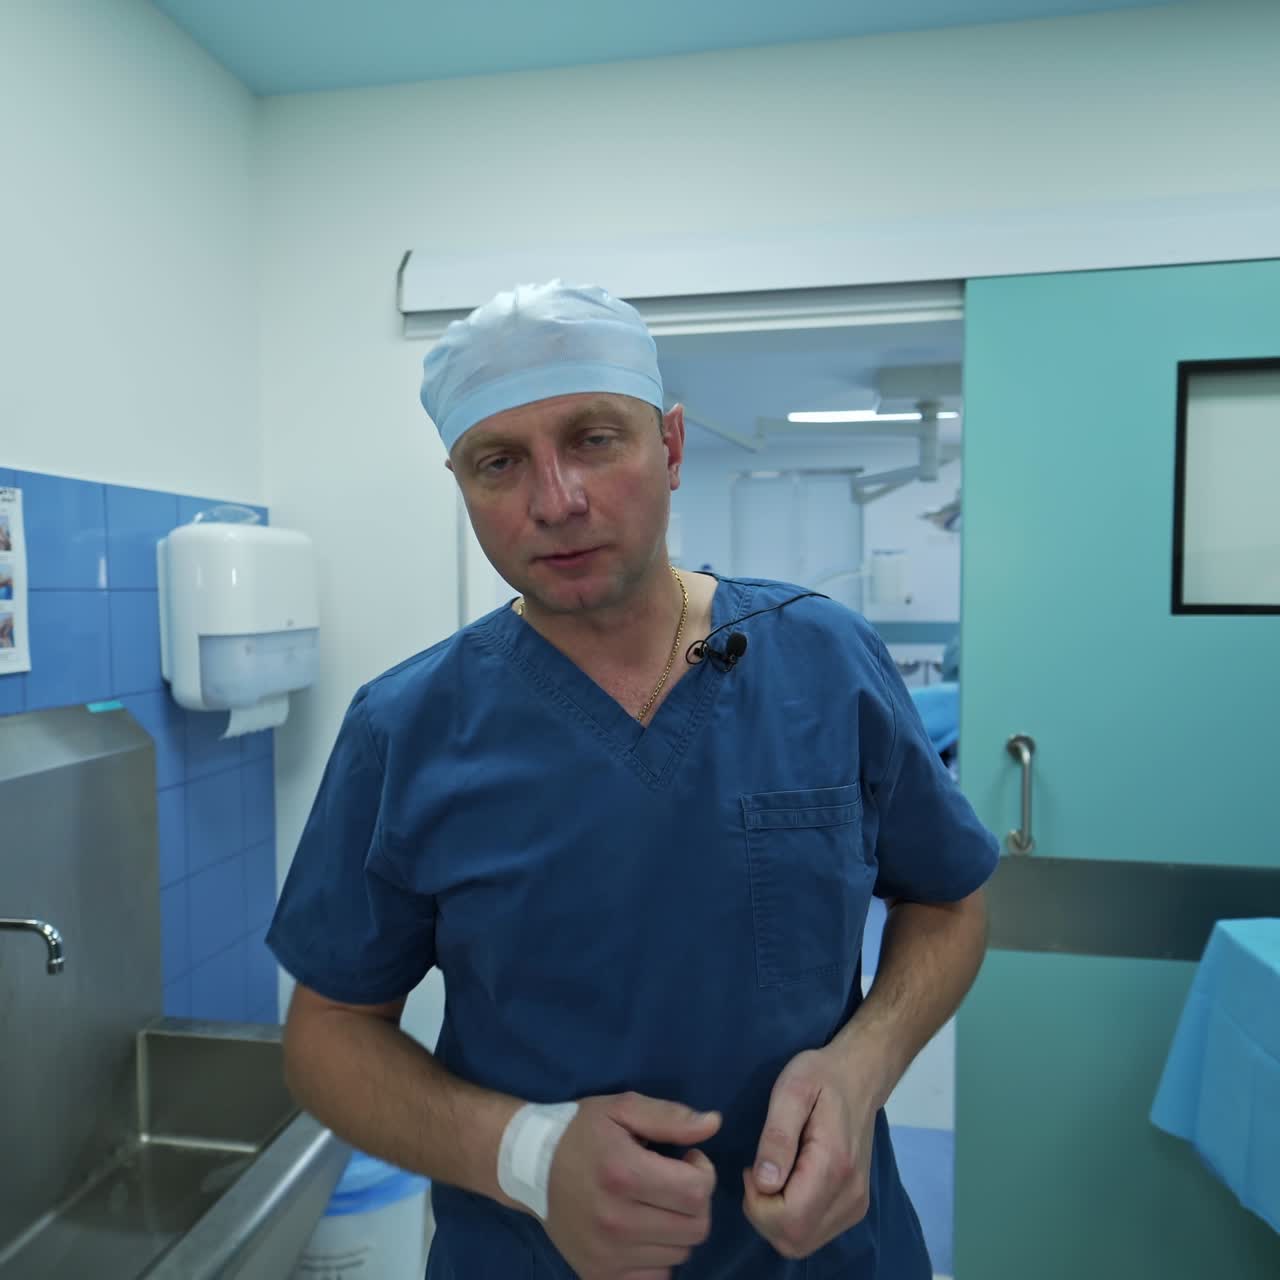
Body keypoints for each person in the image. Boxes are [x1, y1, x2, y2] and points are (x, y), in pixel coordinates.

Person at [267, 281, 998, 1279]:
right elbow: (327, 1034)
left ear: (673, 447)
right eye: (498, 461)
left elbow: (946, 898)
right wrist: (523, 1155)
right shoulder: (405, 730)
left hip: (829, 1256)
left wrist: (861, 1066)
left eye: (594, 438)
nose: (556, 498)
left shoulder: (822, 661)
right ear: (460, 481)